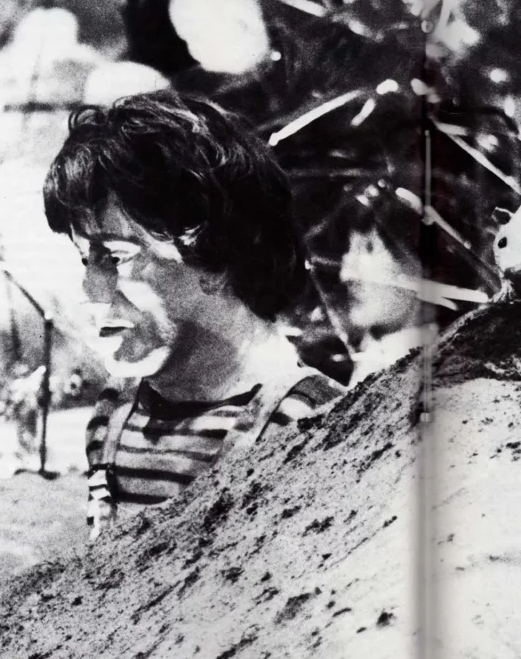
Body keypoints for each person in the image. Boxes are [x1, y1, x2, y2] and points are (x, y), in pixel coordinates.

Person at [43, 91, 343, 539]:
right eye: (87, 260)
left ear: (217, 255)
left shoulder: (310, 424)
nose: (91, 292)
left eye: (117, 257)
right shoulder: (114, 417)